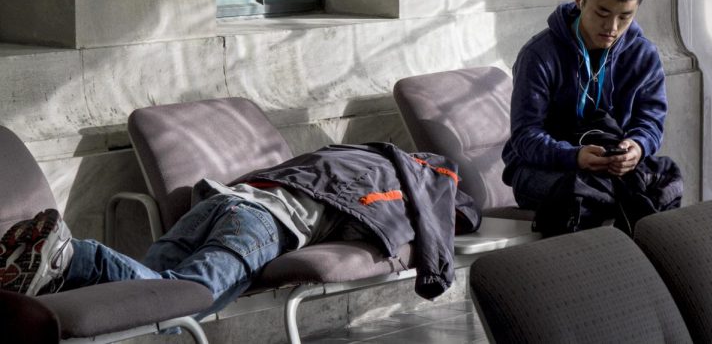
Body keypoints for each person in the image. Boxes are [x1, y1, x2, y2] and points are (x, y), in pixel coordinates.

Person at [0, 142, 480, 316]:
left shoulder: (349, 153)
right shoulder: (417, 180)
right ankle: (73, 255)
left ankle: (42, 267)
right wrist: (432, 269)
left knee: (138, 301)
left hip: (221, 200)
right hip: (263, 223)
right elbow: (406, 224)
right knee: (189, 299)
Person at [501, 0, 683, 235]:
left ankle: (639, 269)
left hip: (611, 169)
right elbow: (525, 137)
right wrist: (575, 156)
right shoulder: (538, 56)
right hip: (545, 169)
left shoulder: (643, 55)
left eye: (625, 17)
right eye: (602, 13)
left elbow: (650, 122)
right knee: (581, 192)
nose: (612, 28)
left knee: (667, 177)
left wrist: (636, 147)